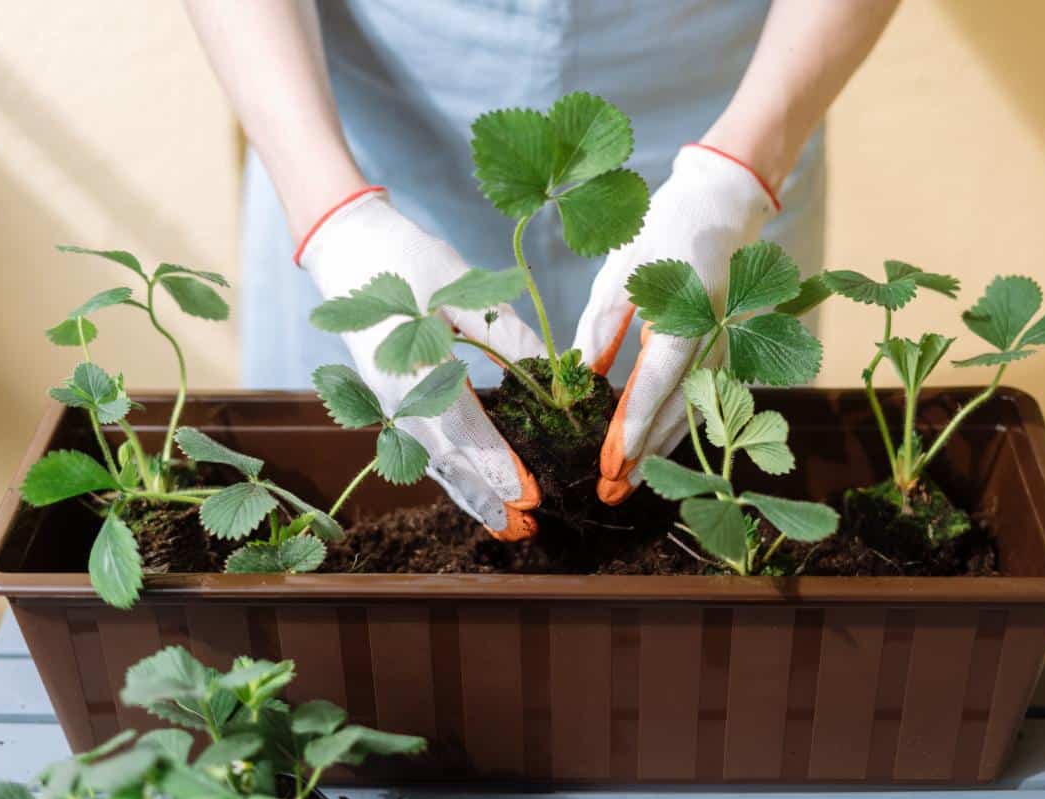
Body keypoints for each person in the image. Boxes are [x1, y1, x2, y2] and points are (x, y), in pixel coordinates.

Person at [185, 0, 898, 541]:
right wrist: (335, 219)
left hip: (736, 90)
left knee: (717, 496)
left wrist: (737, 176)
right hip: (353, 124)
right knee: (349, 501)